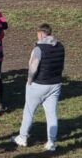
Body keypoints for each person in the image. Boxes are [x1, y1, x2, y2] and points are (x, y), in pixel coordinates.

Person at [14, 24, 65, 153]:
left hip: (39, 84)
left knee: (29, 111)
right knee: (52, 113)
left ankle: (22, 137)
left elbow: (33, 68)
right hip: (55, 84)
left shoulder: (39, 49)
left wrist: (29, 82)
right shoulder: (60, 47)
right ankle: (51, 142)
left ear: (42, 34)